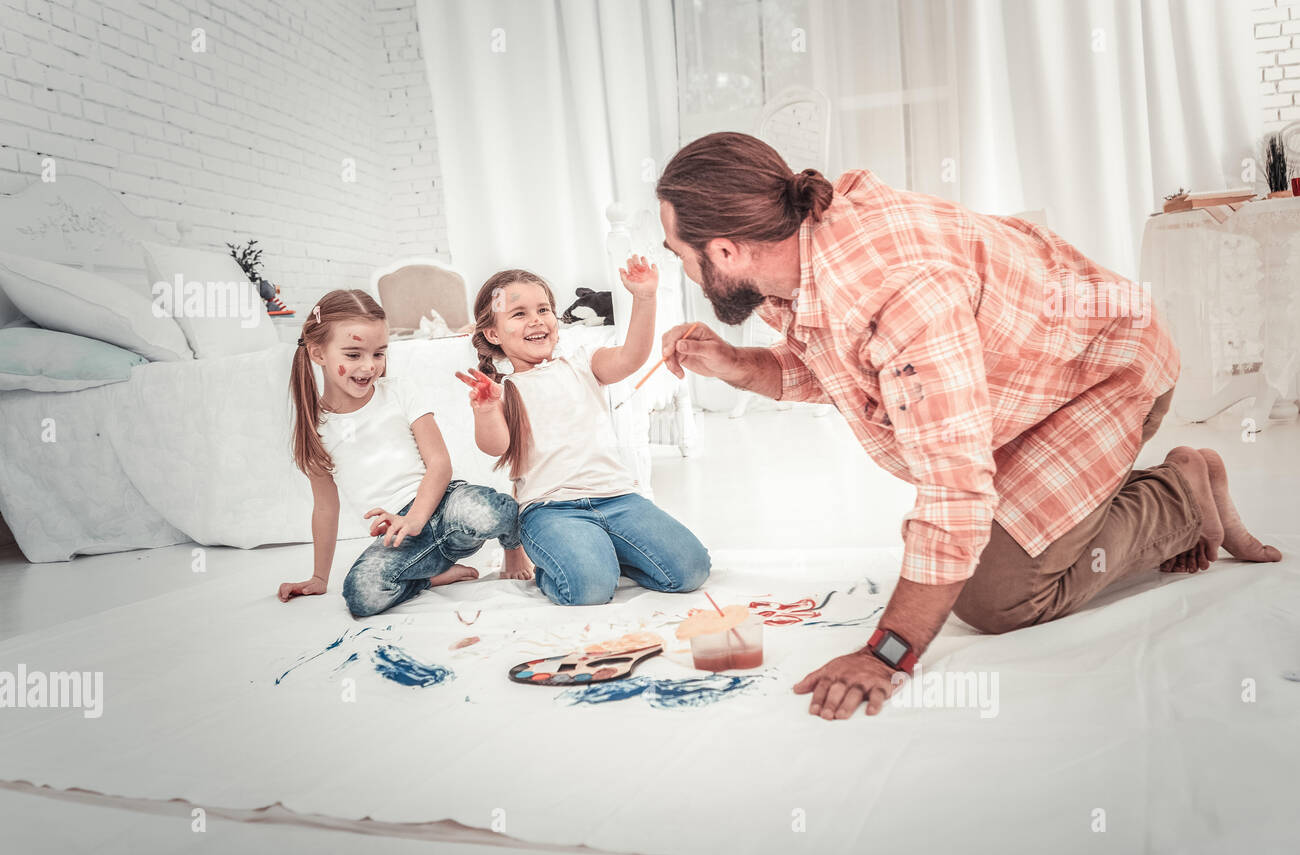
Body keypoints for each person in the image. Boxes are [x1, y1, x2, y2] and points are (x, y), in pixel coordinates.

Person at [655, 131, 1282, 720]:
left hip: (1104, 375)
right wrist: (740, 365)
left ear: (725, 250)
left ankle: (1180, 498)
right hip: (1026, 390)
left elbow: (955, 488)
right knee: (982, 561)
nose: (683, 269)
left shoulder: (897, 295)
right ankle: (1097, 502)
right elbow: (846, 371)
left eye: (679, 252)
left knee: (998, 597)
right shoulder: (807, 256)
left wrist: (885, 653)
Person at [460, 260, 710, 606]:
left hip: (619, 499)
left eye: (543, 309)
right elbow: (495, 446)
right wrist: (486, 409)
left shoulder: (583, 363)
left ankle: (607, 553)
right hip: (551, 511)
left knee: (691, 570)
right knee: (589, 589)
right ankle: (566, 563)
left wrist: (645, 298)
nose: (535, 320)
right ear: (493, 334)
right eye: (518, 314)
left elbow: (633, 356)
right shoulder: (504, 390)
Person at [278, 289, 531, 617]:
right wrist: (318, 577)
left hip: (444, 507)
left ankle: (514, 546)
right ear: (318, 353)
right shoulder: (316, 427)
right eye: (354, 355)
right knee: (361, 595)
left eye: (379, 353)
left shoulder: (398, 392)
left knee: (489, 510)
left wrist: (416, 518)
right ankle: (429, 577)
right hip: (403, 539)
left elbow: (439, 465)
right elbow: (325, 508)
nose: (369, 367)